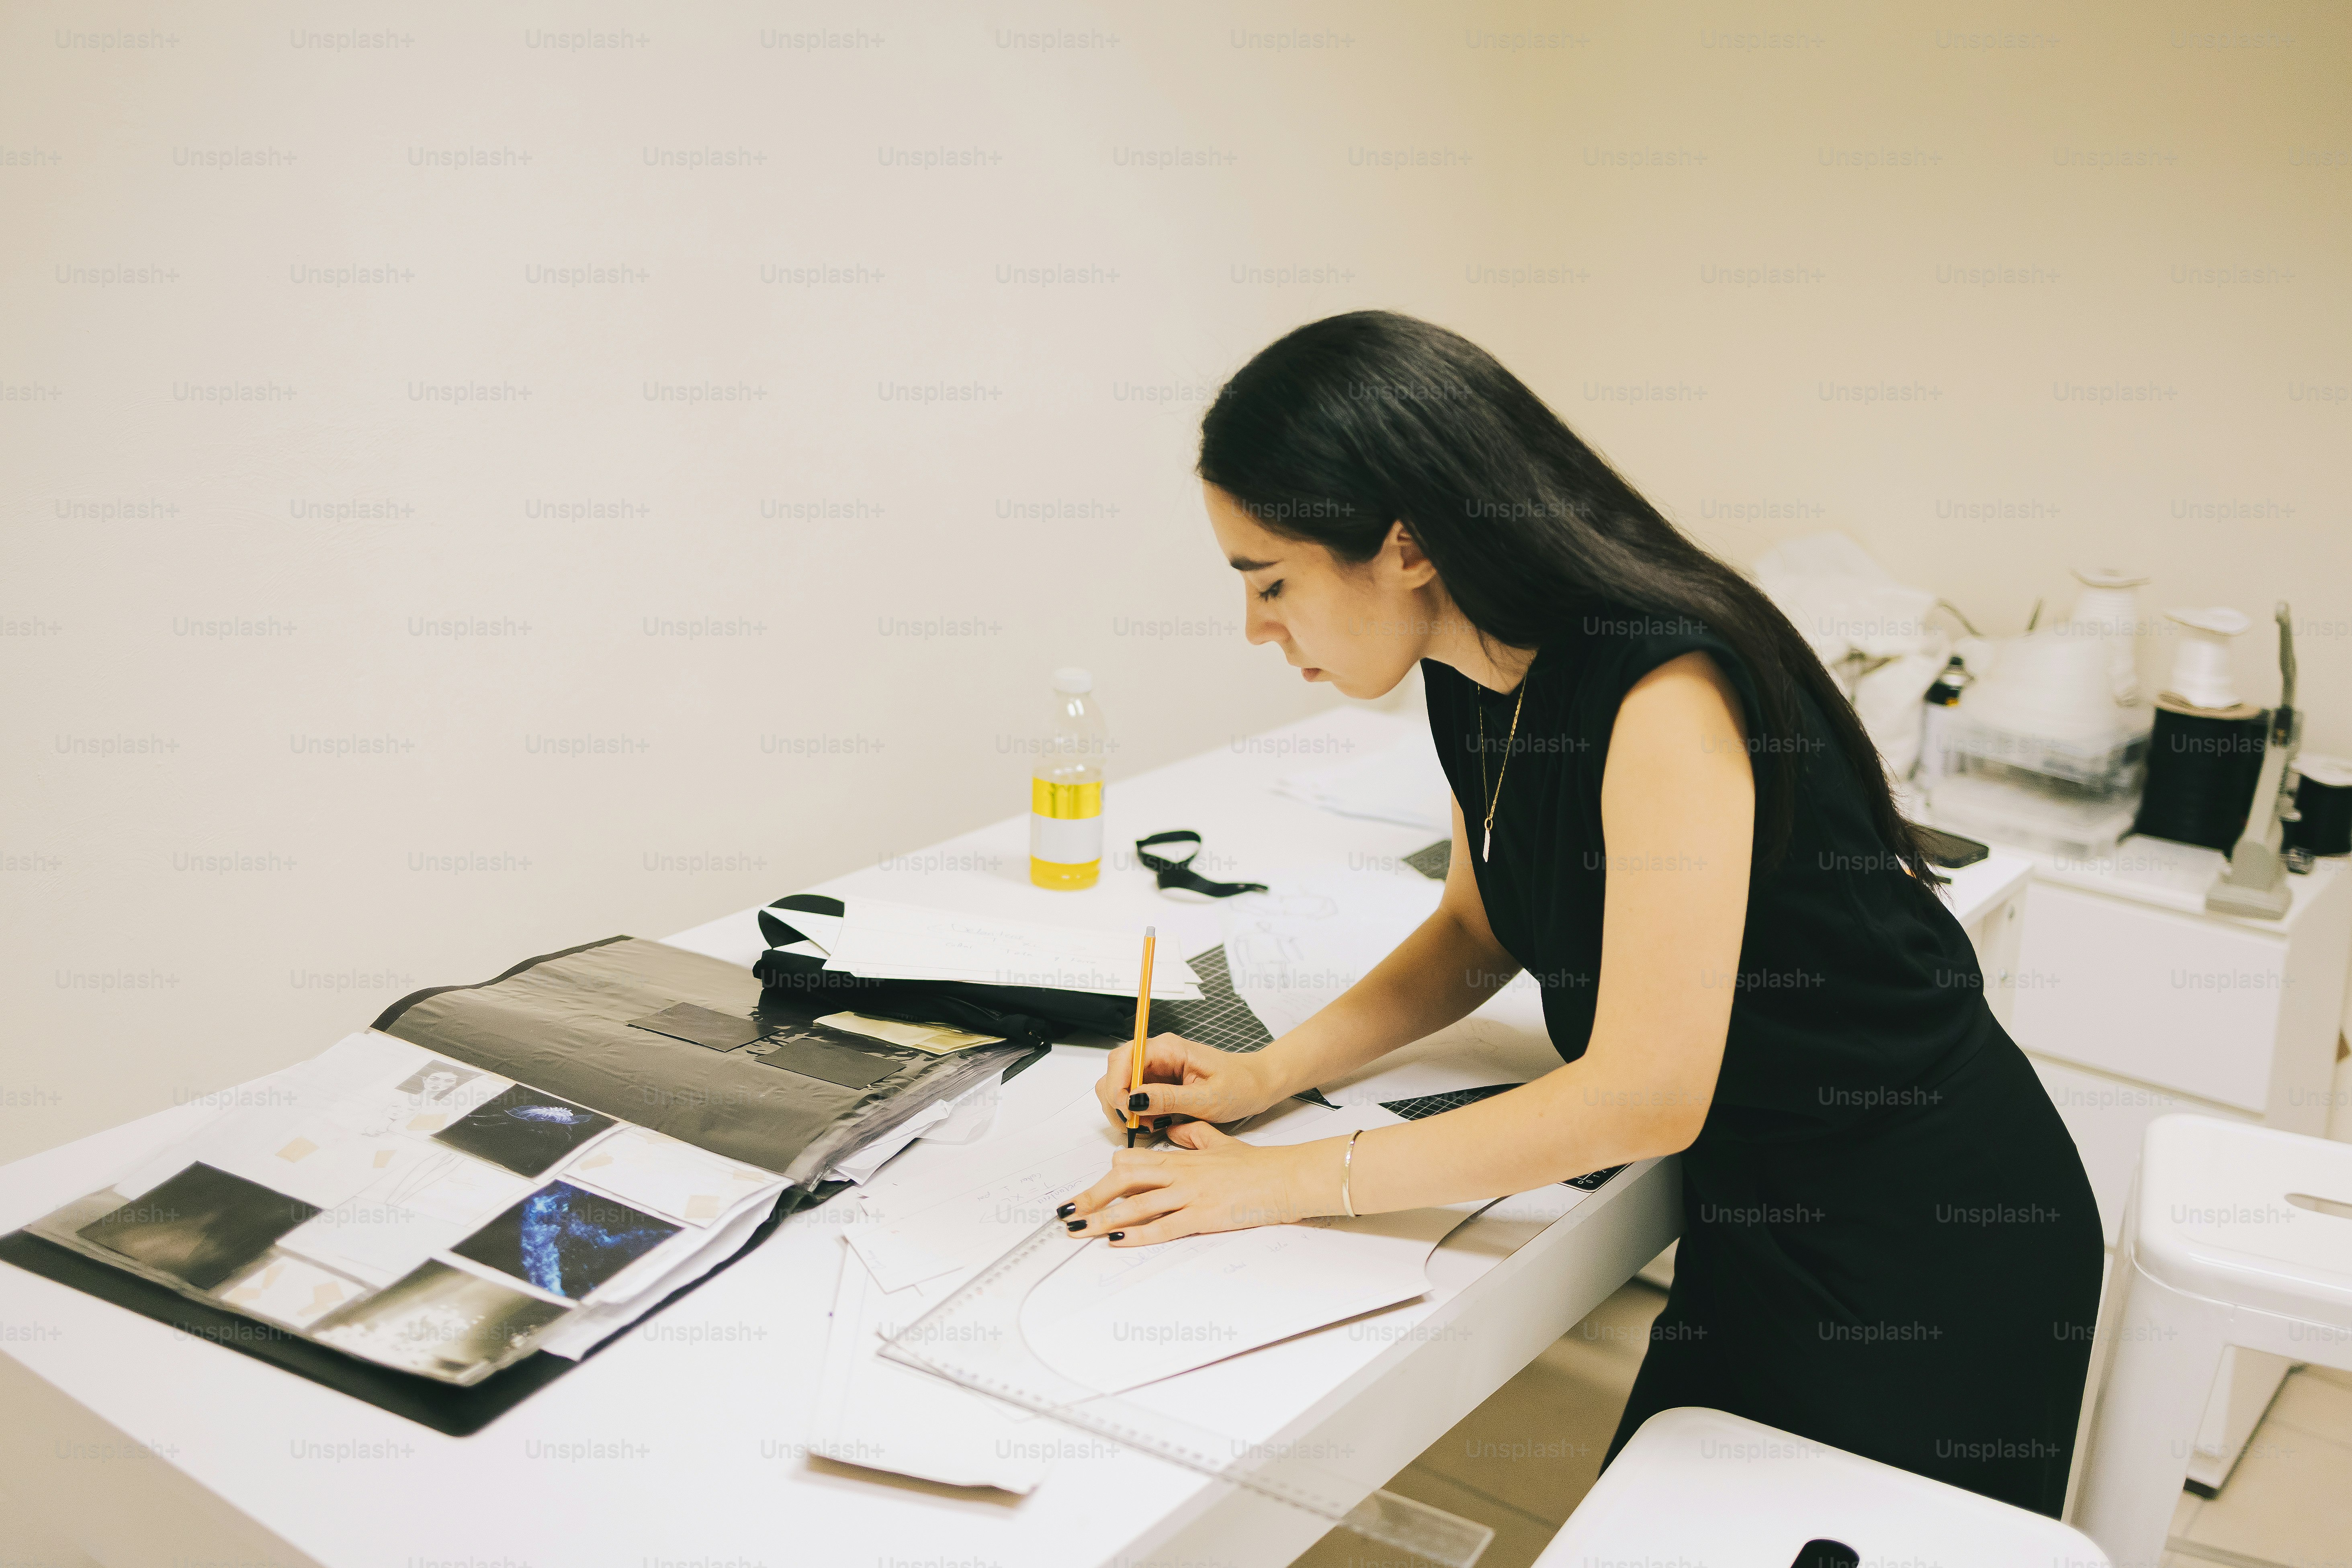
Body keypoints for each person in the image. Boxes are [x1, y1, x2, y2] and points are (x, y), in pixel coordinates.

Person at [1062, 310, 2102, 1515]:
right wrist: (1264, 1076)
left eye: (1271, 580)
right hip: (1759, 1219)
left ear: (1405, 545)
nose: (1256, 626)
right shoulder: (1476, 671)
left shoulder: (1662, 687)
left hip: (1920, 1246)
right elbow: (1478, 928)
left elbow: (1645, 1095)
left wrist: (1276, 1183)